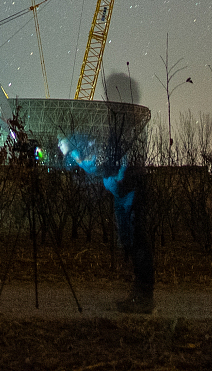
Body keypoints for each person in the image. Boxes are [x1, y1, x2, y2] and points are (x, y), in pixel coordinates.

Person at [57, 114, 155, 314]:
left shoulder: (110, 151)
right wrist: (74, 154)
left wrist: (73, 152)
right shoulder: (108, 150)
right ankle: (139, 295)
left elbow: (95, 166)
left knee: (138, 245)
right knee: (131, 244)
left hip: (130, 195)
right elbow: (93, 166)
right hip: (123, 196)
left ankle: (144, 297)